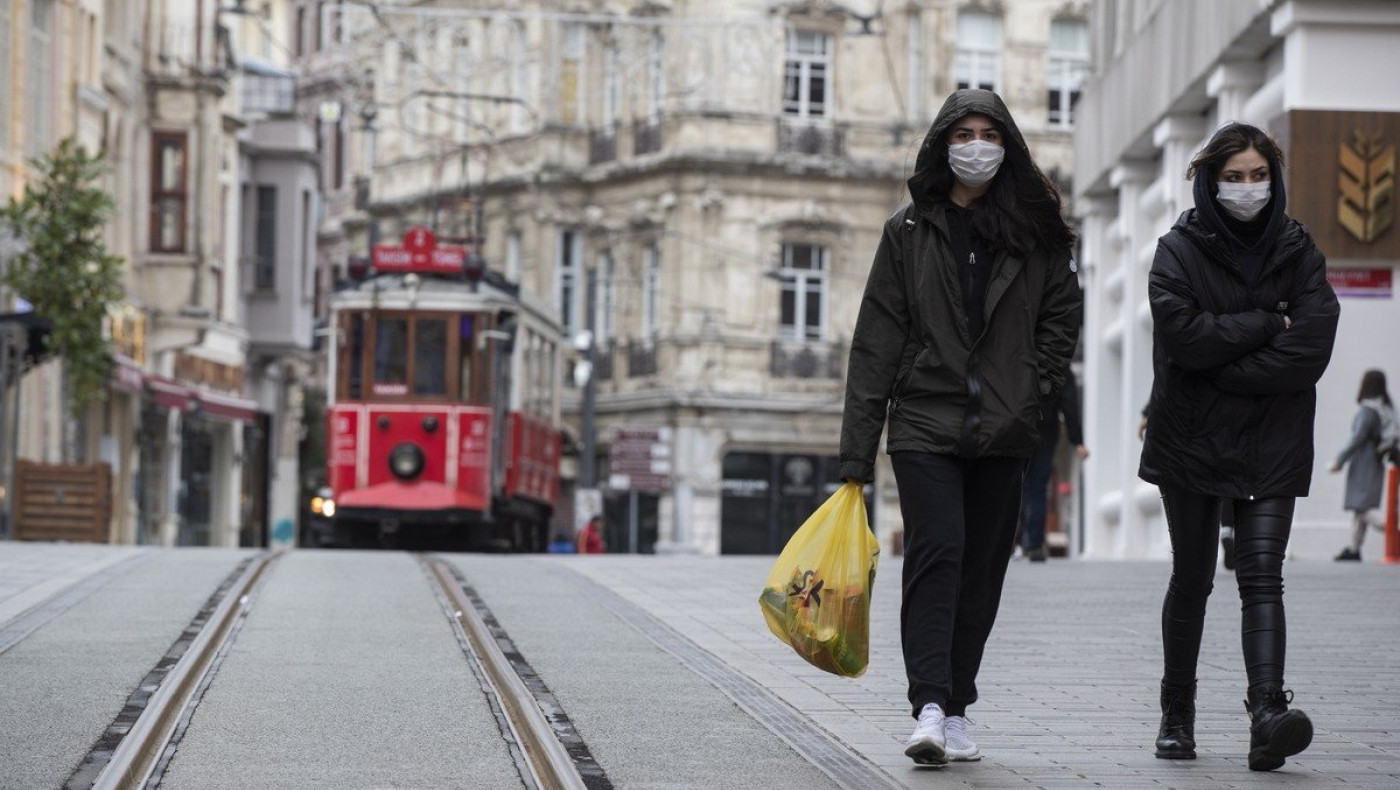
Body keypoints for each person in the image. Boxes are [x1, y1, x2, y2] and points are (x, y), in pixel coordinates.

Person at [840, 89, 1081, 766]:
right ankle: (929, 706)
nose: (976, 145)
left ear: (1008, 145)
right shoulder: (908, 232)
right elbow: (876, 342)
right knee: (936, 555)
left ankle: (960, 702)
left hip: (1005, 426)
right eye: (964, 133)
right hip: (924, 421)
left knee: (981, 572)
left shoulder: (1038, 235)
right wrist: (855, 457)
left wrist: (1034, 388)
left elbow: (1063, 319)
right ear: (943, 144)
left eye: (989, 133)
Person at [1138, 122, 1339, 771]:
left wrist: (1224, 364)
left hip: (1273, 441)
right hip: (1191, 440)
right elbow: (1184, 338)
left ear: (1274, 180)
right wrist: (1261, 324)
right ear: (1209, 180)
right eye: (1235, 176)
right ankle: (1177, 713)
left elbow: (1309, 349)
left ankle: (1267, 714)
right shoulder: (1177, 249)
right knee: (1193, 578)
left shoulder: (1298, 248)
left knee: (1261, 575)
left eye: (1259, 176)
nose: (1248, 188)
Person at [1019, 370, 1088, 562]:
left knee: (1017, 486)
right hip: (1045, 431)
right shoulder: (1059, 363)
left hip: (1017, 427)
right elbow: (1069, 405)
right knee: (1038, 488)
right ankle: (1033, 544)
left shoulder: (1020, 354)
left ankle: (1015, 541)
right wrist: (1077, 441)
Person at [1330, 369, 1396, 561]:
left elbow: (1356, 438)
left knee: (1362, 508)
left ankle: (1393, 532)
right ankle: (1354, 548)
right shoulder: (1385, 409)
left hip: (1363, 464)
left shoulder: (1368, 410)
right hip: (1376, 463)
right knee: (1361, 507)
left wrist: (1339, 460)